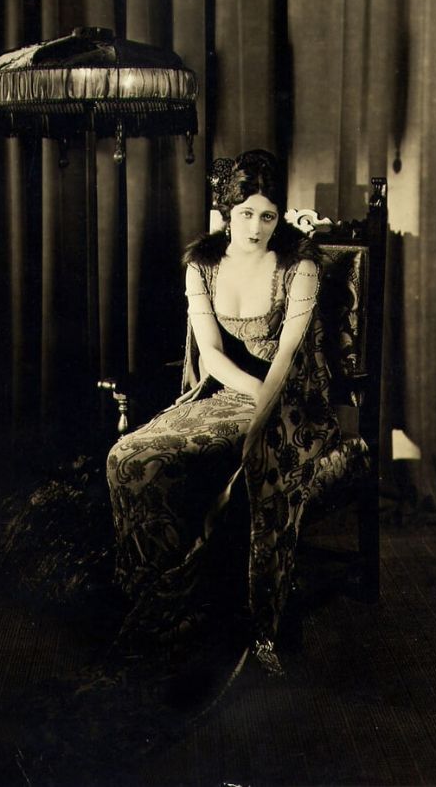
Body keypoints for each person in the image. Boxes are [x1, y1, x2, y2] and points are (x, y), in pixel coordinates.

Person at [106, 149, 340, 673]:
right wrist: (249, 397)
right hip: (227, 393)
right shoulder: (202, 264)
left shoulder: (299, 266)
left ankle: (245, 620)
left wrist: (263, 416)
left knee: (254, 462)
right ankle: (158, 601)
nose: (256, 228)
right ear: (225, 213)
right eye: (245, 214)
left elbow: (288, 357)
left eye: (268, 216)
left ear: (279, 217)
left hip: (291, 402)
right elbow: (210, 355)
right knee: (128, 457)